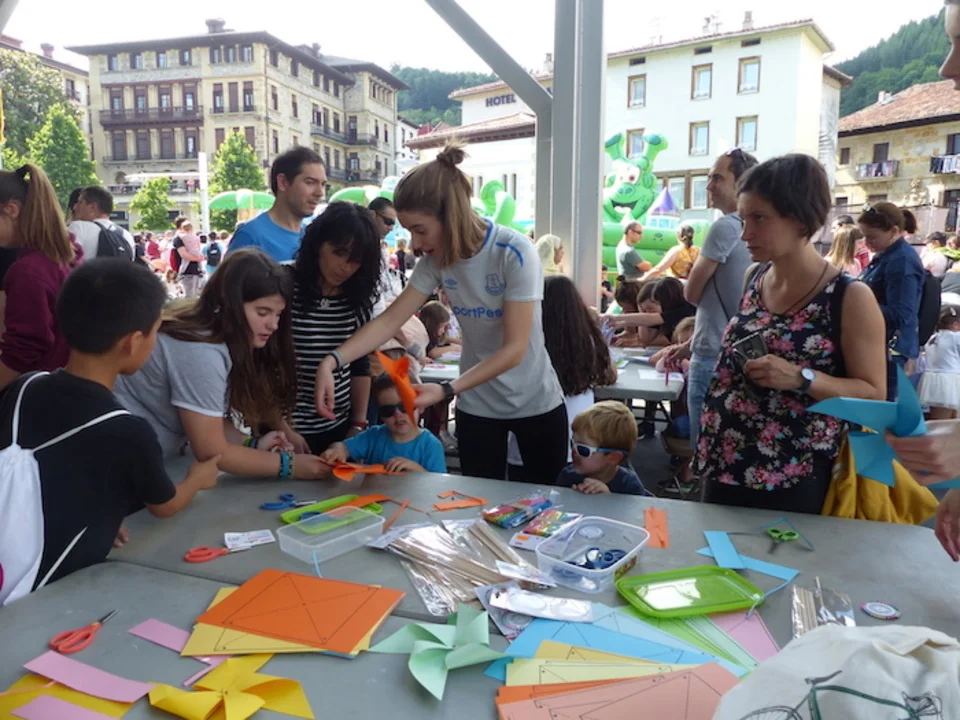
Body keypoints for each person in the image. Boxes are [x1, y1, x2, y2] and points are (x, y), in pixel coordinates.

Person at [314, 142, 567, 483]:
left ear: (451, 215)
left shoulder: (514, 252)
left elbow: (515, 349)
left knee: (543, 502)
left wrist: (448, 389)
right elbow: (389, 321)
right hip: (478, 406)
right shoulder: (436, 261)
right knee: (478, 503)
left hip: (535, 401)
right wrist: (332, 360)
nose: (416, 245)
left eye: (420, 230)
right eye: (409, 232)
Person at [0, 259, 219, 596]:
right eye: (154, 332)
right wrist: (198, 479)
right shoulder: (129, 430)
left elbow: (44, 473)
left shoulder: (24, 386)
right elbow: (164, 505)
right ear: (131, 342)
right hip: (51, 592)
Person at [695, 154, 887, 513]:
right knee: (713, 548)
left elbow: (874, 395)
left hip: (793, 473)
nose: (745, 233)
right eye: (743, 219)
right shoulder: (754, 277)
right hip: (724, 459)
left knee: (782, 551)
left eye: (759, 218)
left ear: (800, 218)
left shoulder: (849, 296)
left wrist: (802, 377)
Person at [114, 250, 328, 479]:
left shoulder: (211, 337)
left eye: (278, 315)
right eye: (263, 312)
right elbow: (210, 450)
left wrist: (253, 445)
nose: (273, 325)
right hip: (118, 464)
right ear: (230, 304)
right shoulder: (200, 352)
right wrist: (290, 466)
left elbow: (207, 422)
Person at [659, 149, 758, 450]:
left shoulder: (725, 226)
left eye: (717, 178)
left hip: (712, 358)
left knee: (704, 449)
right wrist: (689, 344)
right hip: (739, 353)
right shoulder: (749, 228)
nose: (709, 185)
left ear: (741, 182)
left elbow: (690, 293)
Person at [289, 202, 382, 454]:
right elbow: (261, 366)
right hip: (283, 428)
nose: (346, 267)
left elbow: (360, 363)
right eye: (339, 253)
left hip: (338, 427)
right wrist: (282, 428)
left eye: (356, 260)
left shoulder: (358, 296)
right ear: (318, 244)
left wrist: (358, 424)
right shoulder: (283, 284)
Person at [507, 274, 618, 482]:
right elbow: (609, 374)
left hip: (525, 441)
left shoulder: (525, 343)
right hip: (578, 446)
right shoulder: (588, 341)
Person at [0, 165, 83, 394]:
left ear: (11, 210)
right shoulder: (64, 255)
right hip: (64, 388)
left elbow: (23, 350)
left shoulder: (28, 271)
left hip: (39, 394)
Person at [858, 201, 925, 400]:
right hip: (879, 347)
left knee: (881, 409)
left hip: (889, 350)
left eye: (872, 237)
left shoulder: (901, 261)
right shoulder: (887, 256)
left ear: (894, 231)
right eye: (864, 236)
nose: (867, 242)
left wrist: (857, 304)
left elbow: (901, 313)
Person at [321, 372, 446, 473]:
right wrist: (337, 451)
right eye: (388, 410)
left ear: (421, 405)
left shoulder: (430, 445)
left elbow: (440, 485)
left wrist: (417, 470)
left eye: (405, 407)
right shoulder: (373, 436)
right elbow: (343, 447)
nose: (397, 414)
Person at [227, 147, 326, 262]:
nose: (320, 193)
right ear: (283, 182)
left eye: (323, 184)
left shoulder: (312, 237)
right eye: (310, 182)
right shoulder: (250, 236)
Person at [556, 402, 647, 496]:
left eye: (583, 449)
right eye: (572, 443)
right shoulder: (568, 476)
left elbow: (636, 506)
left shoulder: (629, 485)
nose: (574, 452)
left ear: (613, 457)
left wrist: (607, 499)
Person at [605, 277, 696, 340]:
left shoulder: (682, 311)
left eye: (650, 308)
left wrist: (616, 318)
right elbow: (644, 337)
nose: (647, 312)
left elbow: (650, 321)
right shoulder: (664, 315)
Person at [67, 185, 135, 260]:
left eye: (80, 202)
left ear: (92, 207)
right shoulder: (126, 235)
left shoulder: (78, 227)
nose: (75, 207)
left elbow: (64, 259)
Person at [918, 306, 960, 419]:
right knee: (944, 420)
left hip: (934, 380)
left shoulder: (933, 337)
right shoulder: (955, 337)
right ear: (955, 324)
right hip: (949, 381)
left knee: (944, 417)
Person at [175, 221, 204, 299]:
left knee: (190, 294)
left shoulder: (182, 237)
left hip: (190, 268)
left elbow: (185, 255)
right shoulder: (195, 237)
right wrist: (198, 258)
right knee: (191, 295)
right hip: (190, 270)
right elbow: (184, 255)